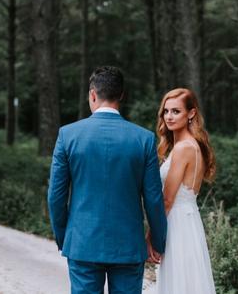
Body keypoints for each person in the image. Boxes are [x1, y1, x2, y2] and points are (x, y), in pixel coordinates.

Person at [47, 66, 167, 294]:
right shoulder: (143, 139)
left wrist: (65, 237)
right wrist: (158, 241)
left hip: (82, 241)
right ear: (121, 95)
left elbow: (56, 195)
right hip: (128, 245)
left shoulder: (68, 135)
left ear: (93, 94)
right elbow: (153, 197)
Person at [154, 88, 216, 294]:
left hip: (176, 222)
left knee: (178, 283)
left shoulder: (183, 148)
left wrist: (152, 235)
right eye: (166, 111)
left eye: (176, 111)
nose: (169, 116)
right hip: (188, 220)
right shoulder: (191, 145)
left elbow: (167, 199)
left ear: (191, 113)